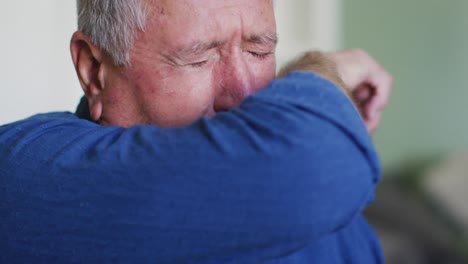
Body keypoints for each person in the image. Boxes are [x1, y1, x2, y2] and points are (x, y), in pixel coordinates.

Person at [0, 0, 393, 263]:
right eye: (198, 58)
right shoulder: (23, 173)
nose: (242, 94)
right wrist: (323, 68)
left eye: (259, 52)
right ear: (93, 70)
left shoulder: (332, 224)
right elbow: (313, 164)